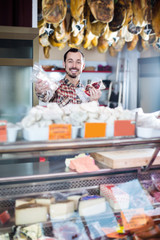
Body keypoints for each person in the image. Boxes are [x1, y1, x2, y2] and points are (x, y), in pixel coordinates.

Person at [35, 48, 102, 107]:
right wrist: (40, 90)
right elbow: (44, 96)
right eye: (70, 61)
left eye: (78, 62)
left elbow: (91, 116)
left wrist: (94, 101)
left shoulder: (86, 92)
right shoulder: (55, 87)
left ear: (83, 66)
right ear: (64, 64)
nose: (74, 65)